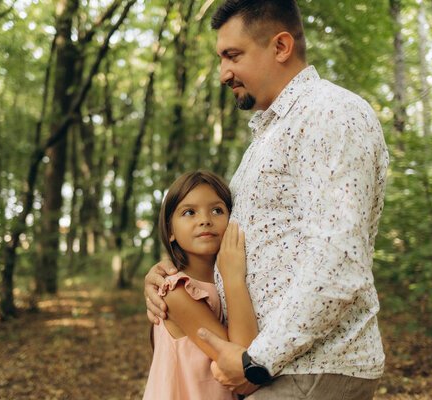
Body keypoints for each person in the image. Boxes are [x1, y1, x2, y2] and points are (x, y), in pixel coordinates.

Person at [144, 0, 389, 398]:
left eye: (232, 55)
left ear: (280, 47)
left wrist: (256, 362)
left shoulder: (330, 113)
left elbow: (340, 262)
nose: (223, 73)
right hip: (281, 368)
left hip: (310, 367)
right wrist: (169, 273)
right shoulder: (269, 136)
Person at [142, 170, 259, 400]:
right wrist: (233, 278)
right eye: (189, 212)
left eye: (217, 210)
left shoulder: (226, 284)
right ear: (171, 231)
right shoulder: (175, 292)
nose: (205, 219)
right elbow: (244, 364)